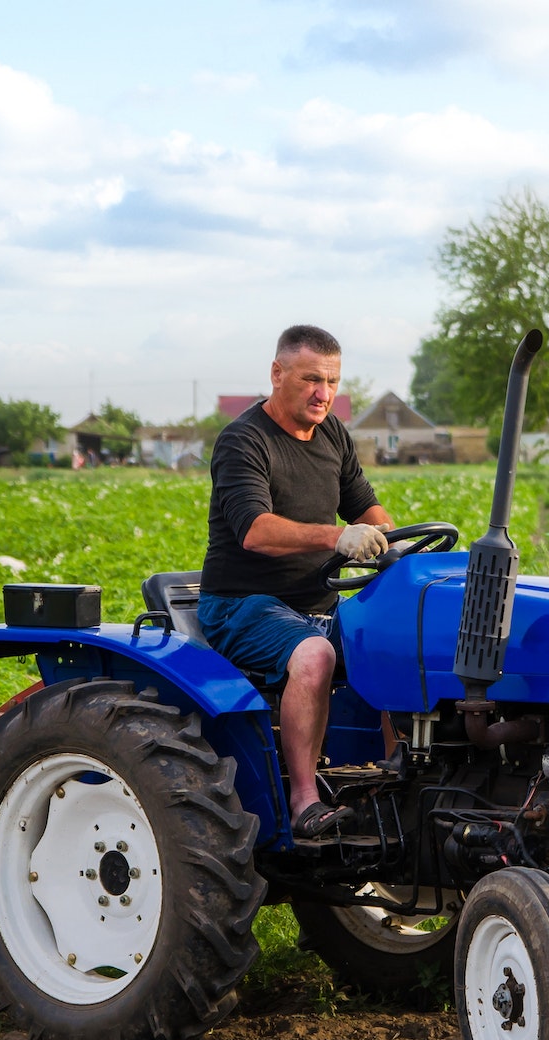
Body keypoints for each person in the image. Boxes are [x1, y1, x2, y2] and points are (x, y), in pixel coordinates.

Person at [198, 325, 394, 839]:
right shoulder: (244, 440)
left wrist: (389, 538)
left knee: (399, 642)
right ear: (277, 374)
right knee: (315, 655)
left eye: (331, 381)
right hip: (242, 605)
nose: (323, 393)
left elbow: (366, 506)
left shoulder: (332, 433)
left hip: (316, 605)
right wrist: (337, 537)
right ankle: (304, 801)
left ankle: (399, 781)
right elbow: (256, 531)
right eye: (311, 379)